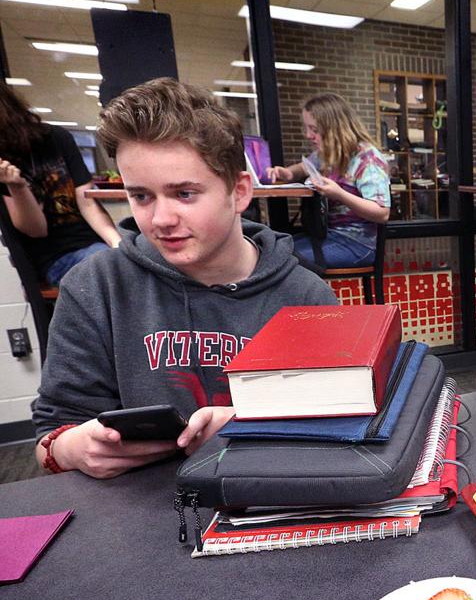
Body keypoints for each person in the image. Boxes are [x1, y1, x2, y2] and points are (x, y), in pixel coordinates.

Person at [33, 78, 336, 480]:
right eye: (141, 196)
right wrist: (72, 448)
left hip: (268, 502)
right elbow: (50, 436)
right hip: (130, 515)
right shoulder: (95, 287)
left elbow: (339, 426)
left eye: (185, 194)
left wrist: (253, 425)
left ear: (239, 192)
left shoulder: (307, 297)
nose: (160, 220)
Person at [0, 83, 121, 285]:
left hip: (94, 244)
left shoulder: (57, 138)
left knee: (142, 258)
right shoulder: (4, 164)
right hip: (55, 259)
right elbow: (37, 230)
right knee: (113, 272)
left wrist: (117, 244)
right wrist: (18, 188)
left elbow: (88, 202)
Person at [265, 93, 390, 267]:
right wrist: (287, 173)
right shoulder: (327, 152)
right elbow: (304, 167)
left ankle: (312, 294)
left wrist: (339, 194)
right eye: (307, 128)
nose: (308, 135)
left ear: (335, 129)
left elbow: (382, 213)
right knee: (274, 251)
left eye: (314, 130)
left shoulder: (367, 159)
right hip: (328, 235)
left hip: (358, 244)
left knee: (285, 262)